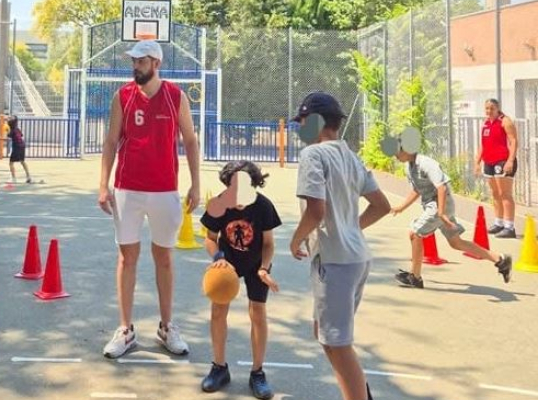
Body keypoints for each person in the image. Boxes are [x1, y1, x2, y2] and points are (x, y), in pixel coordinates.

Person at [98, 40, 201, 359]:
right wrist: (103, 184)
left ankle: (167, 326)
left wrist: (196, 185)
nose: (135, 66)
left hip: (165, 189)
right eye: (134, 61)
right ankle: (125, 329)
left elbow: (190, 140)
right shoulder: (123, 97)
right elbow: (112, 141)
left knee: (164, 258)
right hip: (127, 188)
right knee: (127, 258)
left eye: (141, 61)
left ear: (156, 63)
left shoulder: (175, 96)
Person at [289, 92, 391, 400]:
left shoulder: (313, 155)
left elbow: (316, 210)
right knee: (325, 334)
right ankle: (359, 390)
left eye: (303, 122)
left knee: (337, 342)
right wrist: (350, 227)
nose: (300, 129)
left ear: (317, 122)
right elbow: (381, 205)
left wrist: (296, 239)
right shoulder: (349, 154)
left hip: (335, 262)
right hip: (357, 259)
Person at [199, 161, 281, 400]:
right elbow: (210, 238)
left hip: (257, 264)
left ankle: (257, 372)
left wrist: (264, 269)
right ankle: (219, 367)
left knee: (258, 312)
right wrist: (218, 257)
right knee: (218, 311)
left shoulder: (263, 207)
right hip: (228, 263)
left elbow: (268, 244)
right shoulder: (219, 204)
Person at [390, 146, 513, 288]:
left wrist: (441, 213)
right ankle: (500, 260)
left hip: (440, 204)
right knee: (456, 243)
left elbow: (441, 187)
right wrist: (401, 207)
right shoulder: (409, 167)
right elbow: (417, 189)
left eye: (397, 151)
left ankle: (415, 277)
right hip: (433, 205)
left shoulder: (426, 163)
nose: (395, 155)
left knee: (415, 233)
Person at [475, 99, 518, 239]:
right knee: (495, 193)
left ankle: (509, 227)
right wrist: (477, 161)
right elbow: (483, 144)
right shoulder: (486, 123)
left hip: (503, 161)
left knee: (505, 193)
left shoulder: (505, 121)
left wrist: (510, 160)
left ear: (498, 108)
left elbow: (513, 141)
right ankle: (499, 223)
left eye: (492, 108)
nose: (489, 111)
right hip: (489, 162)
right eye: (486, 108)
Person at [7, 116, 31, 183]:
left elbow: (8, 137)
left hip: (17, 147)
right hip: (22, 146)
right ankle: (28, 176)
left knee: (11, 163)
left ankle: (13, 178)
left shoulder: (11, 130)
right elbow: (21, 135)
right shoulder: (17, 129)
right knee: (22, 161)